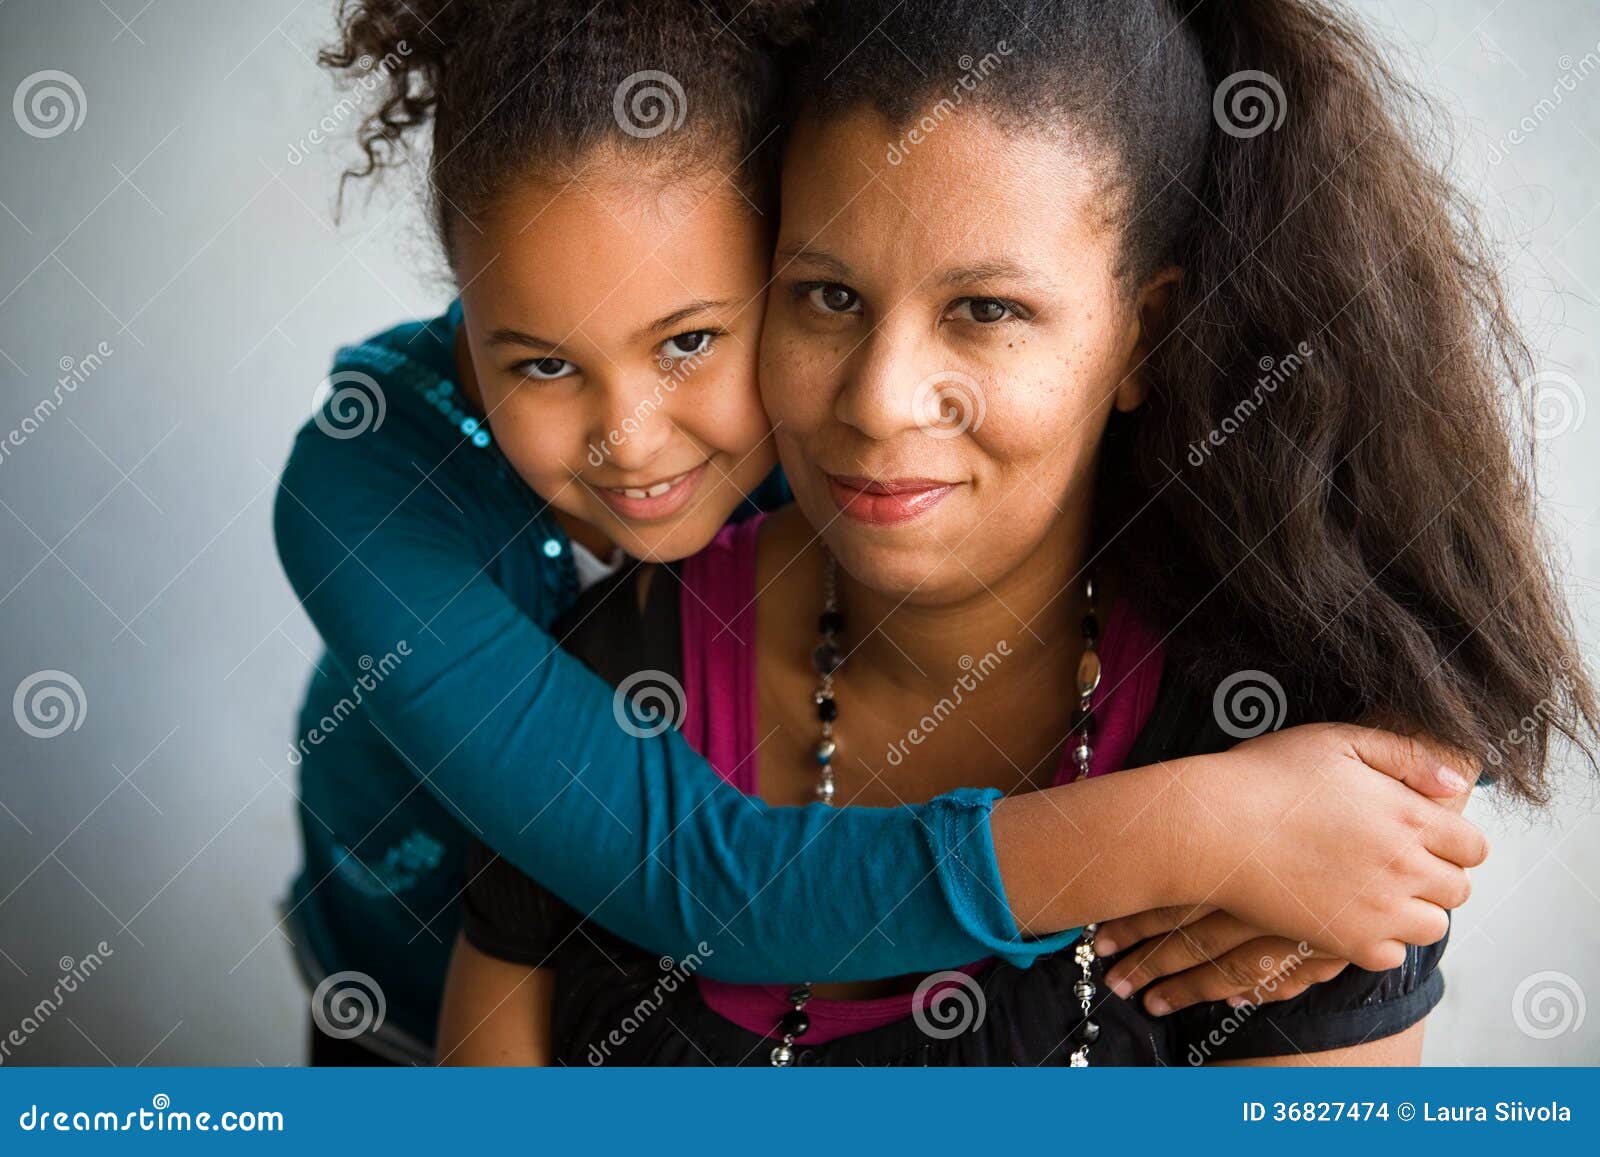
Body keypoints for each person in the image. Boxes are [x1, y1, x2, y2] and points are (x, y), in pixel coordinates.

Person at [277, 0, 1529, 1065]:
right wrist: (1202, 828)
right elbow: (706, 878)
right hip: (384, 1001)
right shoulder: (371, 499)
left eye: (691, 340)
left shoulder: (913, 475)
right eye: (829, 297)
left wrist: (1394, 791)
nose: (633, 437)